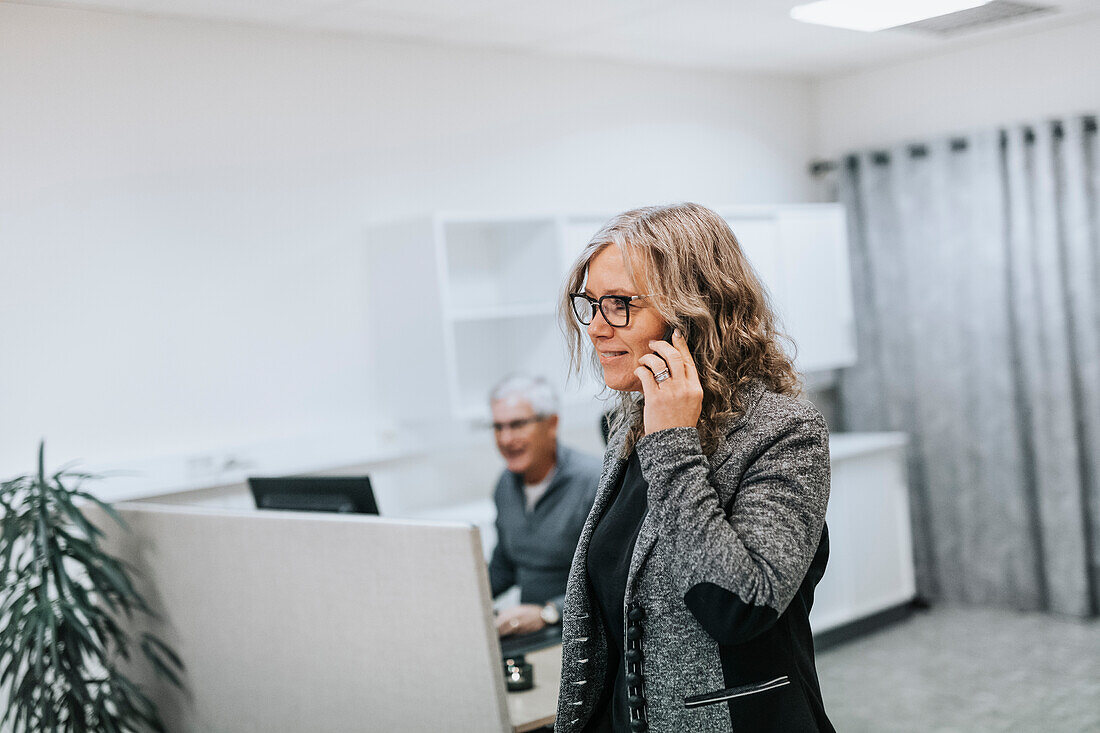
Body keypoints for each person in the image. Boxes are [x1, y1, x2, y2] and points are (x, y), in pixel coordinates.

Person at [554, 203, 835, 732]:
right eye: (589, 304)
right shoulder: (629, 422)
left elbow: (738, 607)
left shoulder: (784, 431)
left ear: (694, 312)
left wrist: (673, 444)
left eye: (619, 304)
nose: (595, 327)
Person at [488, 375, 602, 637]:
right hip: (529, 636)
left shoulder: (593, 483)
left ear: (551, 424)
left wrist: (549, 613)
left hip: (581, 636)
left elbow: (610, 581)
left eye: (517, 425)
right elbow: (503, 568)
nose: (506, 439)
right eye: (498, 427)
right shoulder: (505, 485)